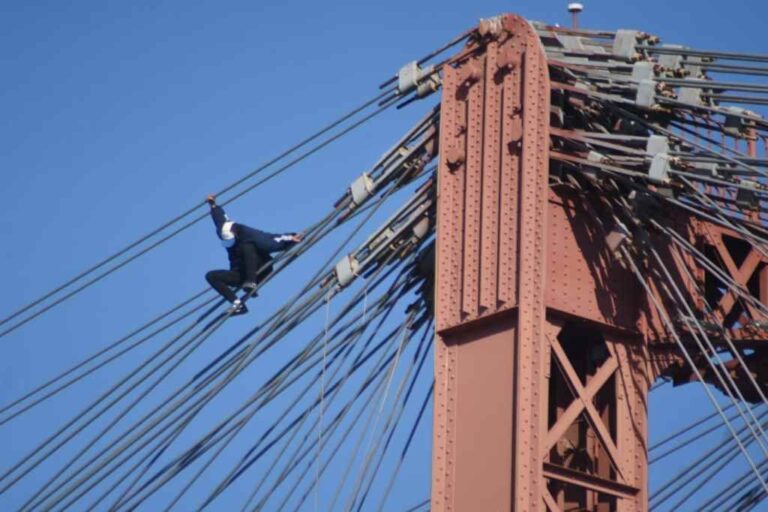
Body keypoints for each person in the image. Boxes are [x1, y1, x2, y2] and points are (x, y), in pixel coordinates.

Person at [205, 195, 302, 315]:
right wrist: (213, 204)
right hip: (240, 273)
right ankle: (238, 305)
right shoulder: (223, 229)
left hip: (260, 268)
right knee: (211, 276)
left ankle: (252, 282)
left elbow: (272, 241)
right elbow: (219, 218)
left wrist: (291, 238)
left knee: (247, 246)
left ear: (235, 235)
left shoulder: (252, 236)